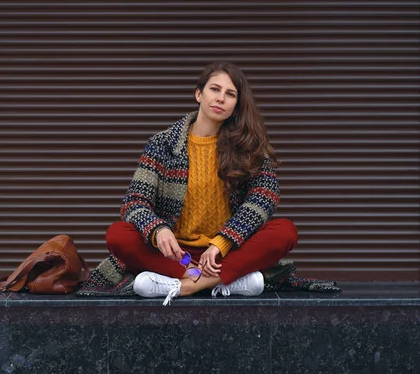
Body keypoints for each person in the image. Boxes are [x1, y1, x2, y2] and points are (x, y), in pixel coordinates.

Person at [106, 61, 299, 306]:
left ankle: (187, 285)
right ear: (199, 94)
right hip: (179, 257)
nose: (221, 98)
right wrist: (158, 230)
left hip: (225, 253)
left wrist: (222, 242)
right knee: (118, 234)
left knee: (285, 231)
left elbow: (265, 196)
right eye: (214, 89)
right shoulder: (163, 143)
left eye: (230, 94)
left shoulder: (246, 147)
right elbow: (134, 202)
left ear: (236, 105)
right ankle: (222, 281)